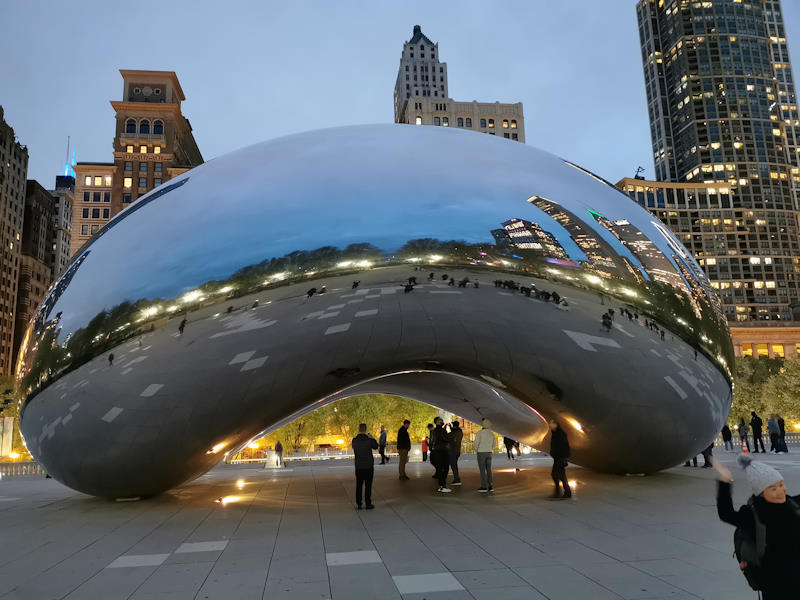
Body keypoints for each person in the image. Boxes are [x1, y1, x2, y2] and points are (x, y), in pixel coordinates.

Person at [712, 455, 800, 598]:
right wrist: (725, 481)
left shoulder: (793, 504)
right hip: (776, 584)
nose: (780, 491)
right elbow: (726, 513)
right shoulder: (753, 514)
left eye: (781, 484)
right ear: (761, 493)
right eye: (772, 488)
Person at [351, 423, 378, 510]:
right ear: (366, 429)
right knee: (368, 485)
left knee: (359, 485)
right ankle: (368, 503)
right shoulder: (369, 440)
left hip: (359, 466)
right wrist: (372, 437)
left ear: (359, 429)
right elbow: (376, 446)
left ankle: (359, 504)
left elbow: (353, 447)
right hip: (368, 466)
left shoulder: (354, 440)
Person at [549, 420, 571, 499]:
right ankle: (564, 492)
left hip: (560, 457)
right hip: (557, 457)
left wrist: (564, 457)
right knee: (560, 475)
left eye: (551, 423)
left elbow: (565, 446)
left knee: (556, 474)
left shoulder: (560, 434)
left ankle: (562, 492)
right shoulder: (555, 433)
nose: (550, 424)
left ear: (556, 424)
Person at [430, 417, 451, 493]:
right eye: (440, 420)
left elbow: (432, 442)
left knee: (439, 468)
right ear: (437, 422)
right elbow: (446, 439)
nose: (442, 421)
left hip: (436, 451)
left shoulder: (434, 431)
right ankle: (443, 486)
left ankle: (441, 486)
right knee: (445, 468)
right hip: (443, 451)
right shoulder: (441, 430)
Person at [475, 418, 495, 492]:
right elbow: (494, 444)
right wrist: (490, 448)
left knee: (482, 470)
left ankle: (483, 486)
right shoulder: (491, 433)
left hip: (481, 453)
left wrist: (477, 449)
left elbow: (476, 443)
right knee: (489, 469)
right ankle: (491, 486)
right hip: (489, 453)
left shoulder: (480, 433)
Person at [448, 421, 463, 486]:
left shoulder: (454, 432)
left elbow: (447, 436)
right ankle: (457, 479)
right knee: (454, 465)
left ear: (454, 426)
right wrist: (450, 428)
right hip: (457, 451)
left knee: (453, 465)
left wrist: (446, 427)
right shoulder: (460, 432)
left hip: (453, 451)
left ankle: (456, 479)